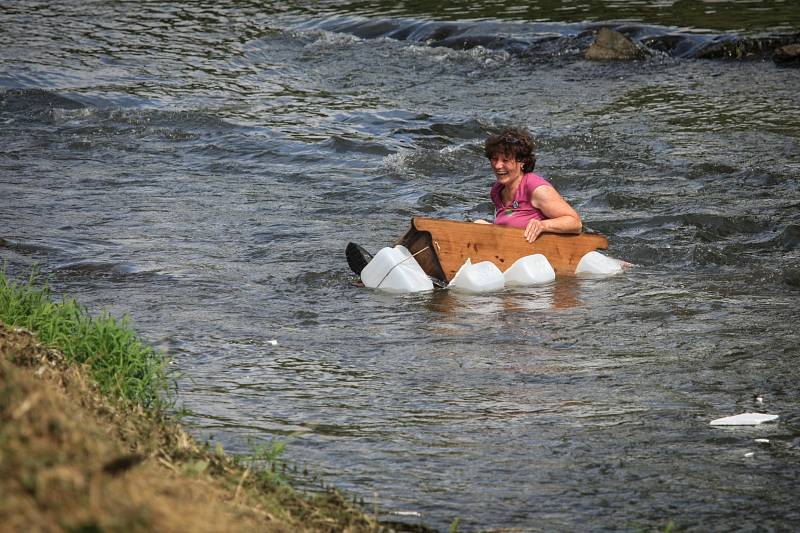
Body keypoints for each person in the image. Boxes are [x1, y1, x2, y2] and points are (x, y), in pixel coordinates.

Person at [476, 128, 582, 243]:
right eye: (494, 159)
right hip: (511, 250)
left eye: (505, 160)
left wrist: (543, 225)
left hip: (540, 256)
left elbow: (575, 223)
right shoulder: (497, 190)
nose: (497, 166)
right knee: (478, 225)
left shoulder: (537, 188)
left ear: (522, 162)